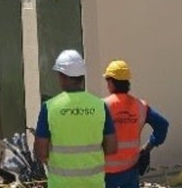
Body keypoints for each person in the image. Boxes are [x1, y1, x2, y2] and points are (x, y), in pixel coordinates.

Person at [34, 49, 117, 188]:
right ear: (82, 77)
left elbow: (41, 152)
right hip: (93, 183)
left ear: (62, 76)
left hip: (61, 184)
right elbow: (112, 147)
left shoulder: (49, 107)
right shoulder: (100, 106)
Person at [102, 59, 169, 188]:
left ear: (110, 82)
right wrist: (147, 148)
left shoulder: (103, 106)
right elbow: (163, 125)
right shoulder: (140, 106)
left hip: (107, 173)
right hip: (131, 169)